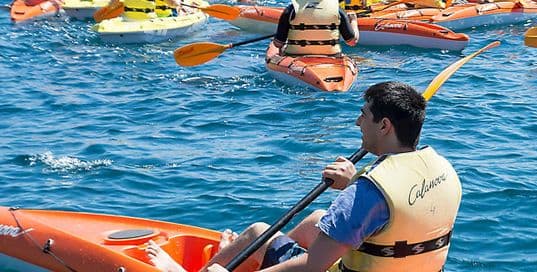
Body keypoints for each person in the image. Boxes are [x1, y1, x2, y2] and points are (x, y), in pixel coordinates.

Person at [147, 82, 463, 272]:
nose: (357, 123)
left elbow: (314, 265)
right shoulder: (444, 170)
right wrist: (353, 184)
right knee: (316, 219)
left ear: (384, 126)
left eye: (363, 116)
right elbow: (394, 211)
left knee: (259, 231)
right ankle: (250, 254)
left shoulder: (367, 192)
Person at [268, 0, 359, 57]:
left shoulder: (291, 9)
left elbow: (278, 43)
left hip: (296, 56)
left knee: (274, 44)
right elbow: (352, 41)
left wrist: (277, 42)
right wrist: (354, 22)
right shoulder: (337, 10)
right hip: (331, 56)